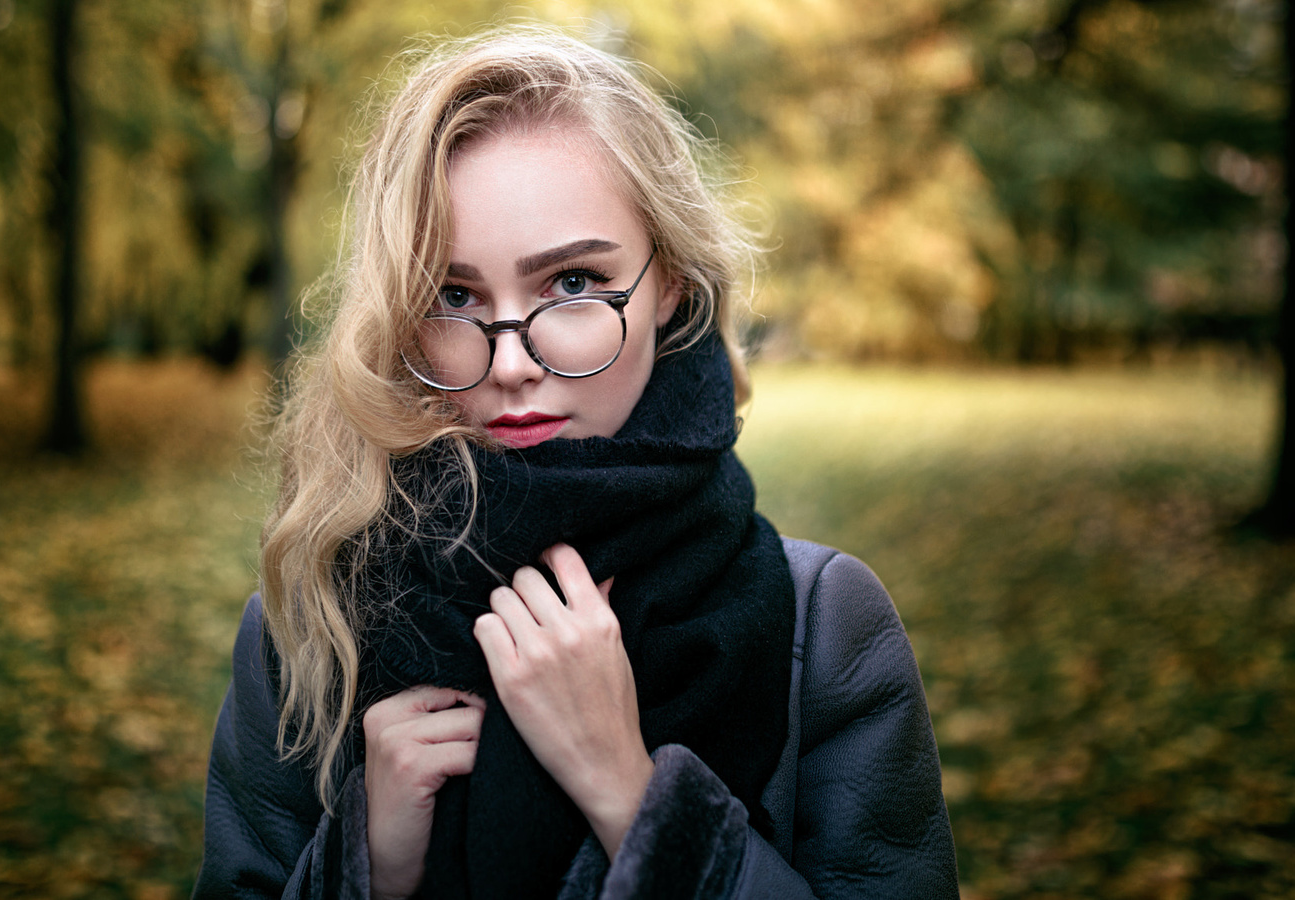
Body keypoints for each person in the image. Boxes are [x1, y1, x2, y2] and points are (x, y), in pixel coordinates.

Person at [192, 25, 957, 900]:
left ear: (669, 282)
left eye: (573, 285)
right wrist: (363, 866)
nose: (512, 362)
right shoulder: (309, 628)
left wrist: (634, 799)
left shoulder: (822, 630)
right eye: (453, 295)